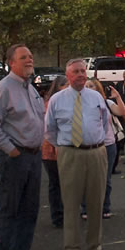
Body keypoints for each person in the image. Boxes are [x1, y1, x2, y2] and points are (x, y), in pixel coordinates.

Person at [0, 44, 46, 250]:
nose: (29, 60)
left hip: (33, 156)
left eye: (30, 56)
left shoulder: (30, 88)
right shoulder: (3, 88)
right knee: (9, 210)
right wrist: (12, 150)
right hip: (13, 159)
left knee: (29, 210)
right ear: (11, 62)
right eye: (23, 57)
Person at [44, 59, 109, 250]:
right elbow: (50, 130)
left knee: (95, 201)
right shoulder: (57, 100)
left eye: (83, 71)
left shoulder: (96, 96)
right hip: (70, 153)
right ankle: (72, 247)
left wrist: (94, 142)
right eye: (76, 72)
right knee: (70, 202)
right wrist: (65, 147)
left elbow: (104, 123)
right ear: (68, 75)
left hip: (96, 152)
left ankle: (94, 245)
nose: (81, 74)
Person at [84, 78, 125, 219]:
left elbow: (121, 111)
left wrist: (118, 97)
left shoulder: (106, 103)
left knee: (105, 178)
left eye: (92, 86)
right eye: (86, 86)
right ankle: (86, 208)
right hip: (88, 146)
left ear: (98, 89)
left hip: (107, 145)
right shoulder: (80, 104)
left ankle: (104, 207)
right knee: (88, 179)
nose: (89, 88)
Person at [41, 75, 69, 227]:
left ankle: (65, 212)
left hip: (64, 147)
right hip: (51, 149)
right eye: (67, 86)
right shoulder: (51, 103)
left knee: (65, 183)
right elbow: (49, 128)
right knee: (56, 183)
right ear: (59, 87)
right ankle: (57, 215)